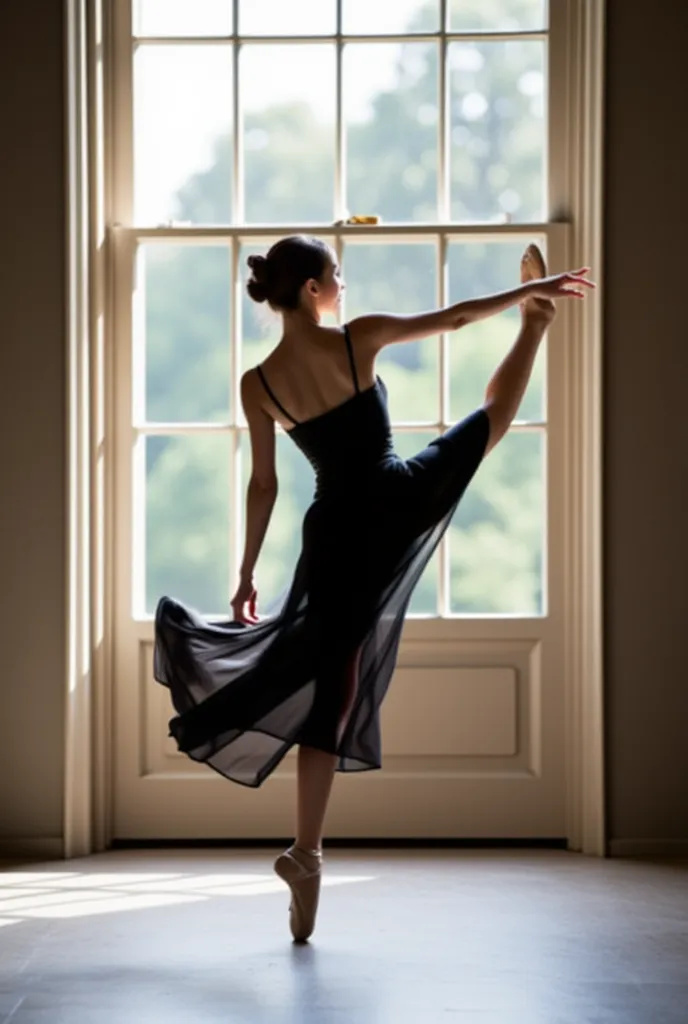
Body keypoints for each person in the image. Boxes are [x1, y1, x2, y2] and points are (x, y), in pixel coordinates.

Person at [153, 236, 594, 942]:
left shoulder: (256, 383)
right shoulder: (356, 342)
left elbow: (263, 483)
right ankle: (536, 323)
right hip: (392, 502)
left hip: (331, 535)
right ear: (310, 290)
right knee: (491, 422)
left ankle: (307, 853)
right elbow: (451, 320)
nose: (343, 286)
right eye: (336, 276)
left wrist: (245, 574)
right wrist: (522, 295)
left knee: (331, 690)